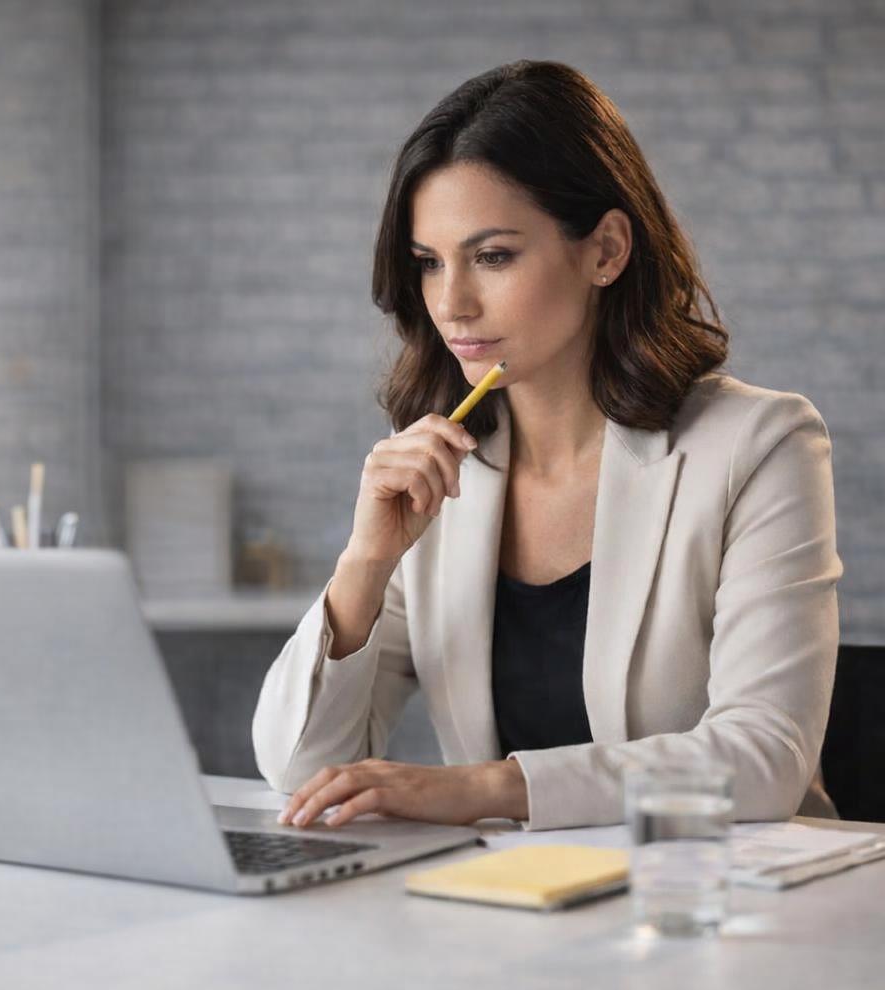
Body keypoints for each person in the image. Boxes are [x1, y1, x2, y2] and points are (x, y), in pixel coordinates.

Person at [251, 60, 842, 832]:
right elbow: (298, 771)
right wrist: (363, 566)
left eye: (492, 256)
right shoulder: (435, 465)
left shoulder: (759, 445)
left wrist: (482, 790)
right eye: (430, 263)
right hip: (519, 911)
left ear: (605, 251)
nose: (452, 303)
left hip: (717, 903)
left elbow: (763, 759)